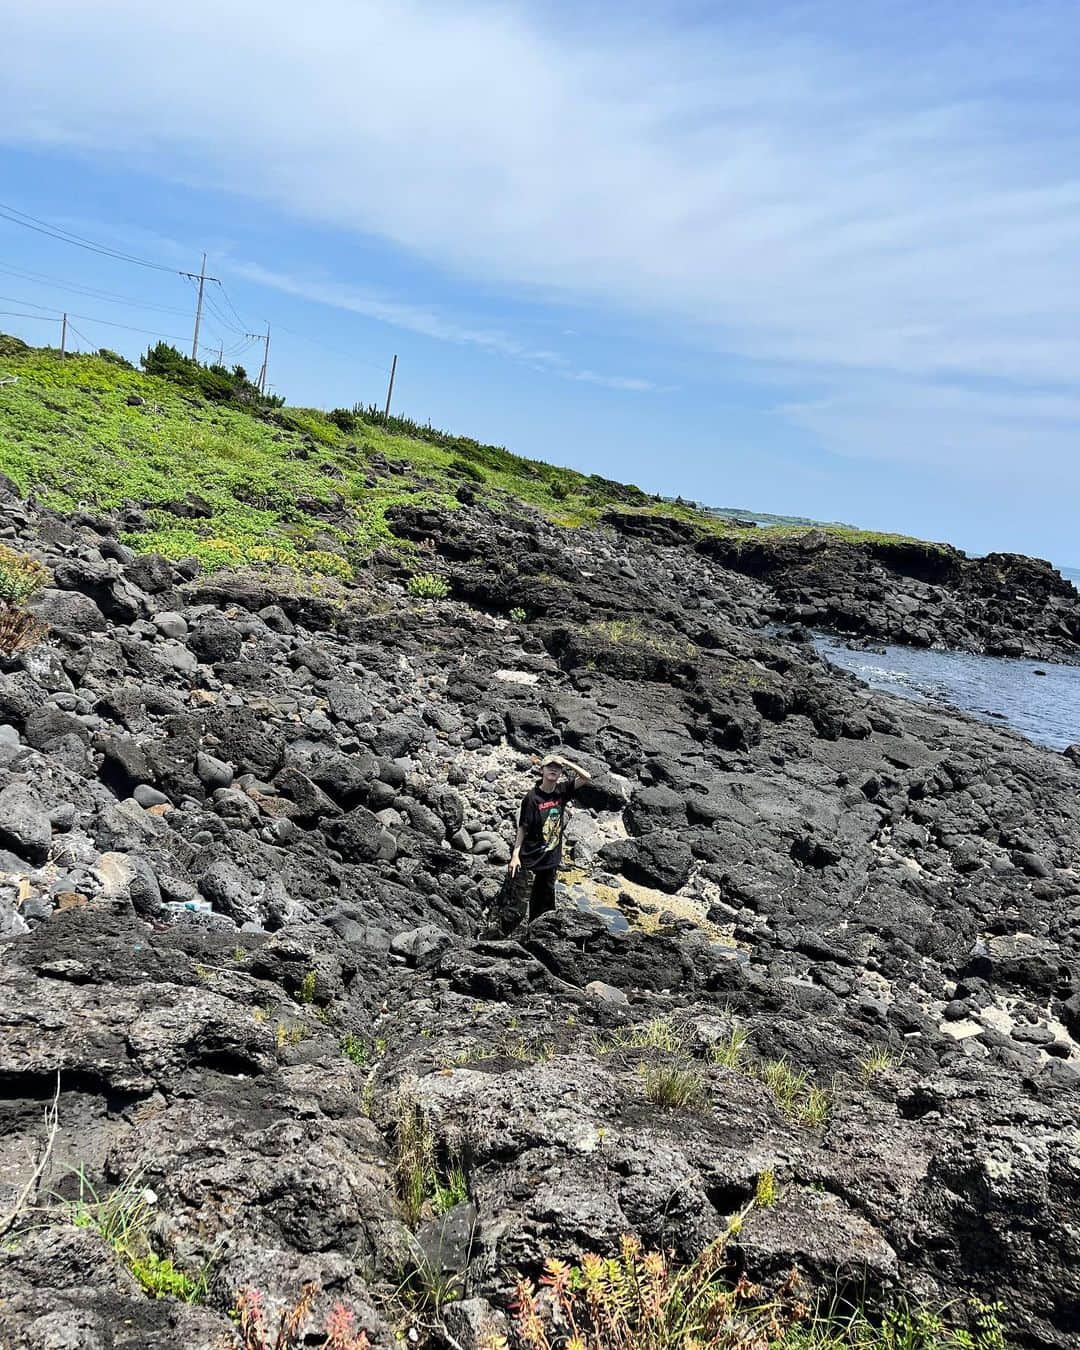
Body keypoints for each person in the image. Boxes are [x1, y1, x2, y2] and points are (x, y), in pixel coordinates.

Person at [497, 752, 593, 936]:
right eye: (550, 766)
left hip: (550, 862)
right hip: (531, 861)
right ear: (542, 770)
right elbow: (522, 828)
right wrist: (515, 856)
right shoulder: (532, 798)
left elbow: (586, 777)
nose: (553, 770)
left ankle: (539, 939)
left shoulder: (562, 791)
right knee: (517, 908)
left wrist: (566, 761)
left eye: (557, 768)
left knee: (546, 908)